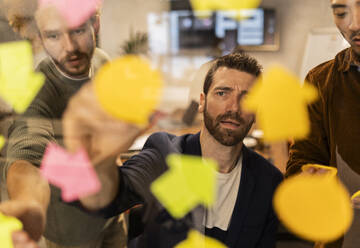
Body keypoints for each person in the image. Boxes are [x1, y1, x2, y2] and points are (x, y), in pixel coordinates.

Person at [63, 53, 284, 248]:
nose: (234, 108)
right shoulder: (165, 154)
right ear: (202, 102)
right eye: (222, 93)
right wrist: (103, 156)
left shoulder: (268, 181)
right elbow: (102, 201)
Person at [0, 3, 126, 248]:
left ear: (95, 24)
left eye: (77, 30)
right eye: (54, 35)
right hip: (72, 233)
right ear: (41, 38)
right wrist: (30, 202)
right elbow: (27, 151)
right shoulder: (42, 90)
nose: (69, 47)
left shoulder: (102, 62)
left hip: (113, 216)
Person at [286, 0, 360, 247]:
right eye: (341, 12)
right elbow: (301, 162)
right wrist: (308, 179)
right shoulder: (320, 82)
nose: (354, 24)